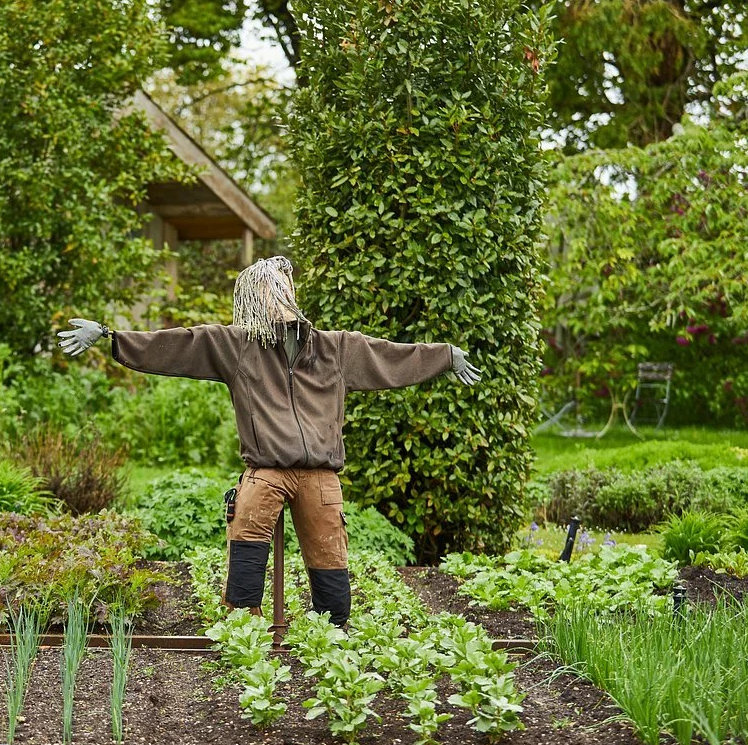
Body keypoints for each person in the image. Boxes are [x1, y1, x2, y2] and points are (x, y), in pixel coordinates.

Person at [57, 255, 481, 626]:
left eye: (280, 288)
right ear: (251, 301)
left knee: (329, 551)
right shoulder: (236, 346)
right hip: (267, 469)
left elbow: (391, 355)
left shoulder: (335, 350)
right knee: (248, 518)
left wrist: (445, 356)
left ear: (291, 293)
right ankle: (244, 624)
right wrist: (112, 337)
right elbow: (179, 344)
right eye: (264, 290)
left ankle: (330, 632)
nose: (274, 297)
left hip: (319, 473)